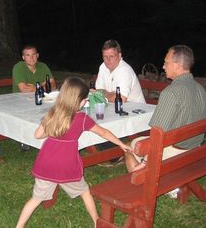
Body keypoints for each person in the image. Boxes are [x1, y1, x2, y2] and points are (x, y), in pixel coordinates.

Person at [16, 77, 132, 227]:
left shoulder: (52, 113)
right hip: (67, 164)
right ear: (82, 101)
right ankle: (97, 222)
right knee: (85, 192)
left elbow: (38, 135)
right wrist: (121, 144)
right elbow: (103, 133)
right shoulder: (82, 118)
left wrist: (51, 131)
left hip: (47, 162)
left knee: (35, 198)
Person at [125, 45, 206, 196]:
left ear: (177, 66)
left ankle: (151, 183)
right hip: (195, 147)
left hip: (177, 150)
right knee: (139, 143)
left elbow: (156, 134)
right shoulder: (200, 89)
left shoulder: (170, 93)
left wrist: (145, 162)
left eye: (166, 62)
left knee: (128, 148)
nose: (163, 66)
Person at [12, 44, 56, 151]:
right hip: (21, 101)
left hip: (42, 99)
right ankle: (25, 139)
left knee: (54, 110)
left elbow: (53, 86)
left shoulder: (43, 66)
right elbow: (24, 89)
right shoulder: (19, 67)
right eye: (27, 55)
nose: (31, 58)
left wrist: (35, 87)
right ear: (23, 57)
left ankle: (50, 136)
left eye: (33, 55)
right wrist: (42, 86)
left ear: (37, 55)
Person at [95, 39, 145, 104]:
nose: (108, 60)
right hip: (116, 109)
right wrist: (109, 94)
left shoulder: (125, 70)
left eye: (111, 56)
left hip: (138, 110)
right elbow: (98, 91)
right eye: (105, 56)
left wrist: (103, 94)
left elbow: (120, 99)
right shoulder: (103, 67)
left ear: (119, 56)